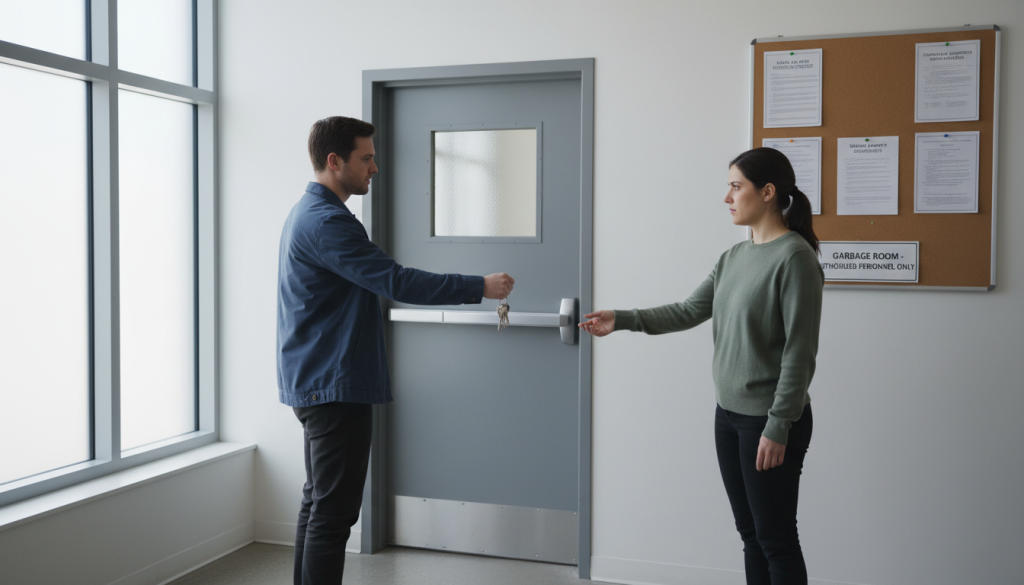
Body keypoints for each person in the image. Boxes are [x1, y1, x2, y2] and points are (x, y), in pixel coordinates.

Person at [277, 116, 515, 585]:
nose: (375, 167)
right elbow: (396, 280)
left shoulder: (306, 213)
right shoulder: (327, 223)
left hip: (317, 380)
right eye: (366, 158)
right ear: (334, 161)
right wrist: (479, 286)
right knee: (333, 513)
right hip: (334, 386)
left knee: (318, 503)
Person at [580, 147, 824, 585]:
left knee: (776, 540)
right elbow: (689, 310)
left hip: (768, 421)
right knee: (751, 536)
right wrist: (623, 319)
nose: (727, 197)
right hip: (728, 416)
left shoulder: (795, 258)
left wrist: (778, 424)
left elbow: (799, 352)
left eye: (736, 186)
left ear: (767, 192)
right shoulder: (734, 256)